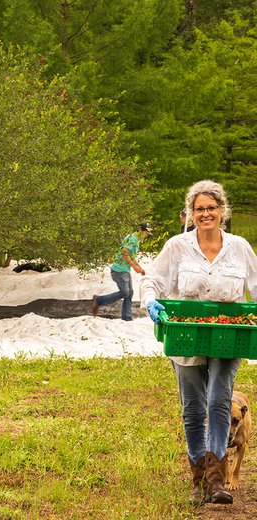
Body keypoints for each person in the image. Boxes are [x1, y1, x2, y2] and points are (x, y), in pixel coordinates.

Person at [141, 180, 257, 506]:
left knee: (220, 402)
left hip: (227, 334)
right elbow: (153, 279)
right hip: (187, 334)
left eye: (211, 208)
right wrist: (151, 300)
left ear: (222, 211)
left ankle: (216, 480)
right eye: (199, 208)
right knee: (193, 410)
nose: (206, 214)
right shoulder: (177, 246)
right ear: (191, 213)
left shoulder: (240, 248)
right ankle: (198, 481)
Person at [91, 223, 151, 321]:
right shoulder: (132, 239)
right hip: (119, 270)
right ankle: (98, 300)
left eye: (147, 233)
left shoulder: (136, 239)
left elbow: (131, 256)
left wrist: (139, 268)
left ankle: (127, 317)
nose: (146, 235)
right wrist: (134, 267)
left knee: (130, 292)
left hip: (124, 270)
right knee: (125, 292)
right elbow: (124, 253)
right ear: (140, 230)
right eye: (145, 232)